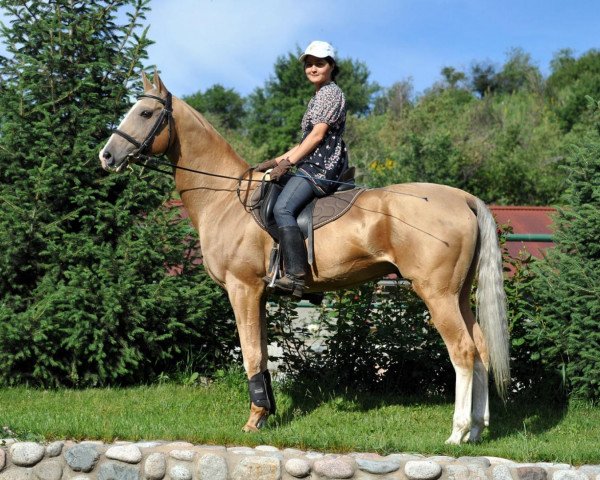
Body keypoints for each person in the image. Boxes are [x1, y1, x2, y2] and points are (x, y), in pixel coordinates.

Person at [254, 40, 349, 297]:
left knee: (282, 208)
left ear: (331, 66)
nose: (313, 68)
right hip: (310, 162)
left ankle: (298, 278)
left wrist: (289, 163)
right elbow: (304, 142)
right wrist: (275, 161)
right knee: (271, 201)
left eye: (319, 63)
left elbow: (317, 136)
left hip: (321, 167)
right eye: (309, 64)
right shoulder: (318, 95)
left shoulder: (330, 93)